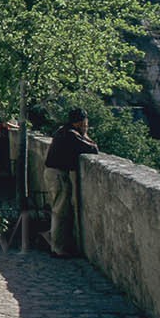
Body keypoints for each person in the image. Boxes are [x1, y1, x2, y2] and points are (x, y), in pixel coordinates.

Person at [44, 109, 99, 258]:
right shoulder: (71, 134)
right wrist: (85, 134)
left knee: (59, 209)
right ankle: (58, 249)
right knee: (60, 211)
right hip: (58, 175)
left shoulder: (63, 131)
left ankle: (56, 244)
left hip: (52, 173)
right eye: (85, 123)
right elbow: (93, 149)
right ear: (80, 122)